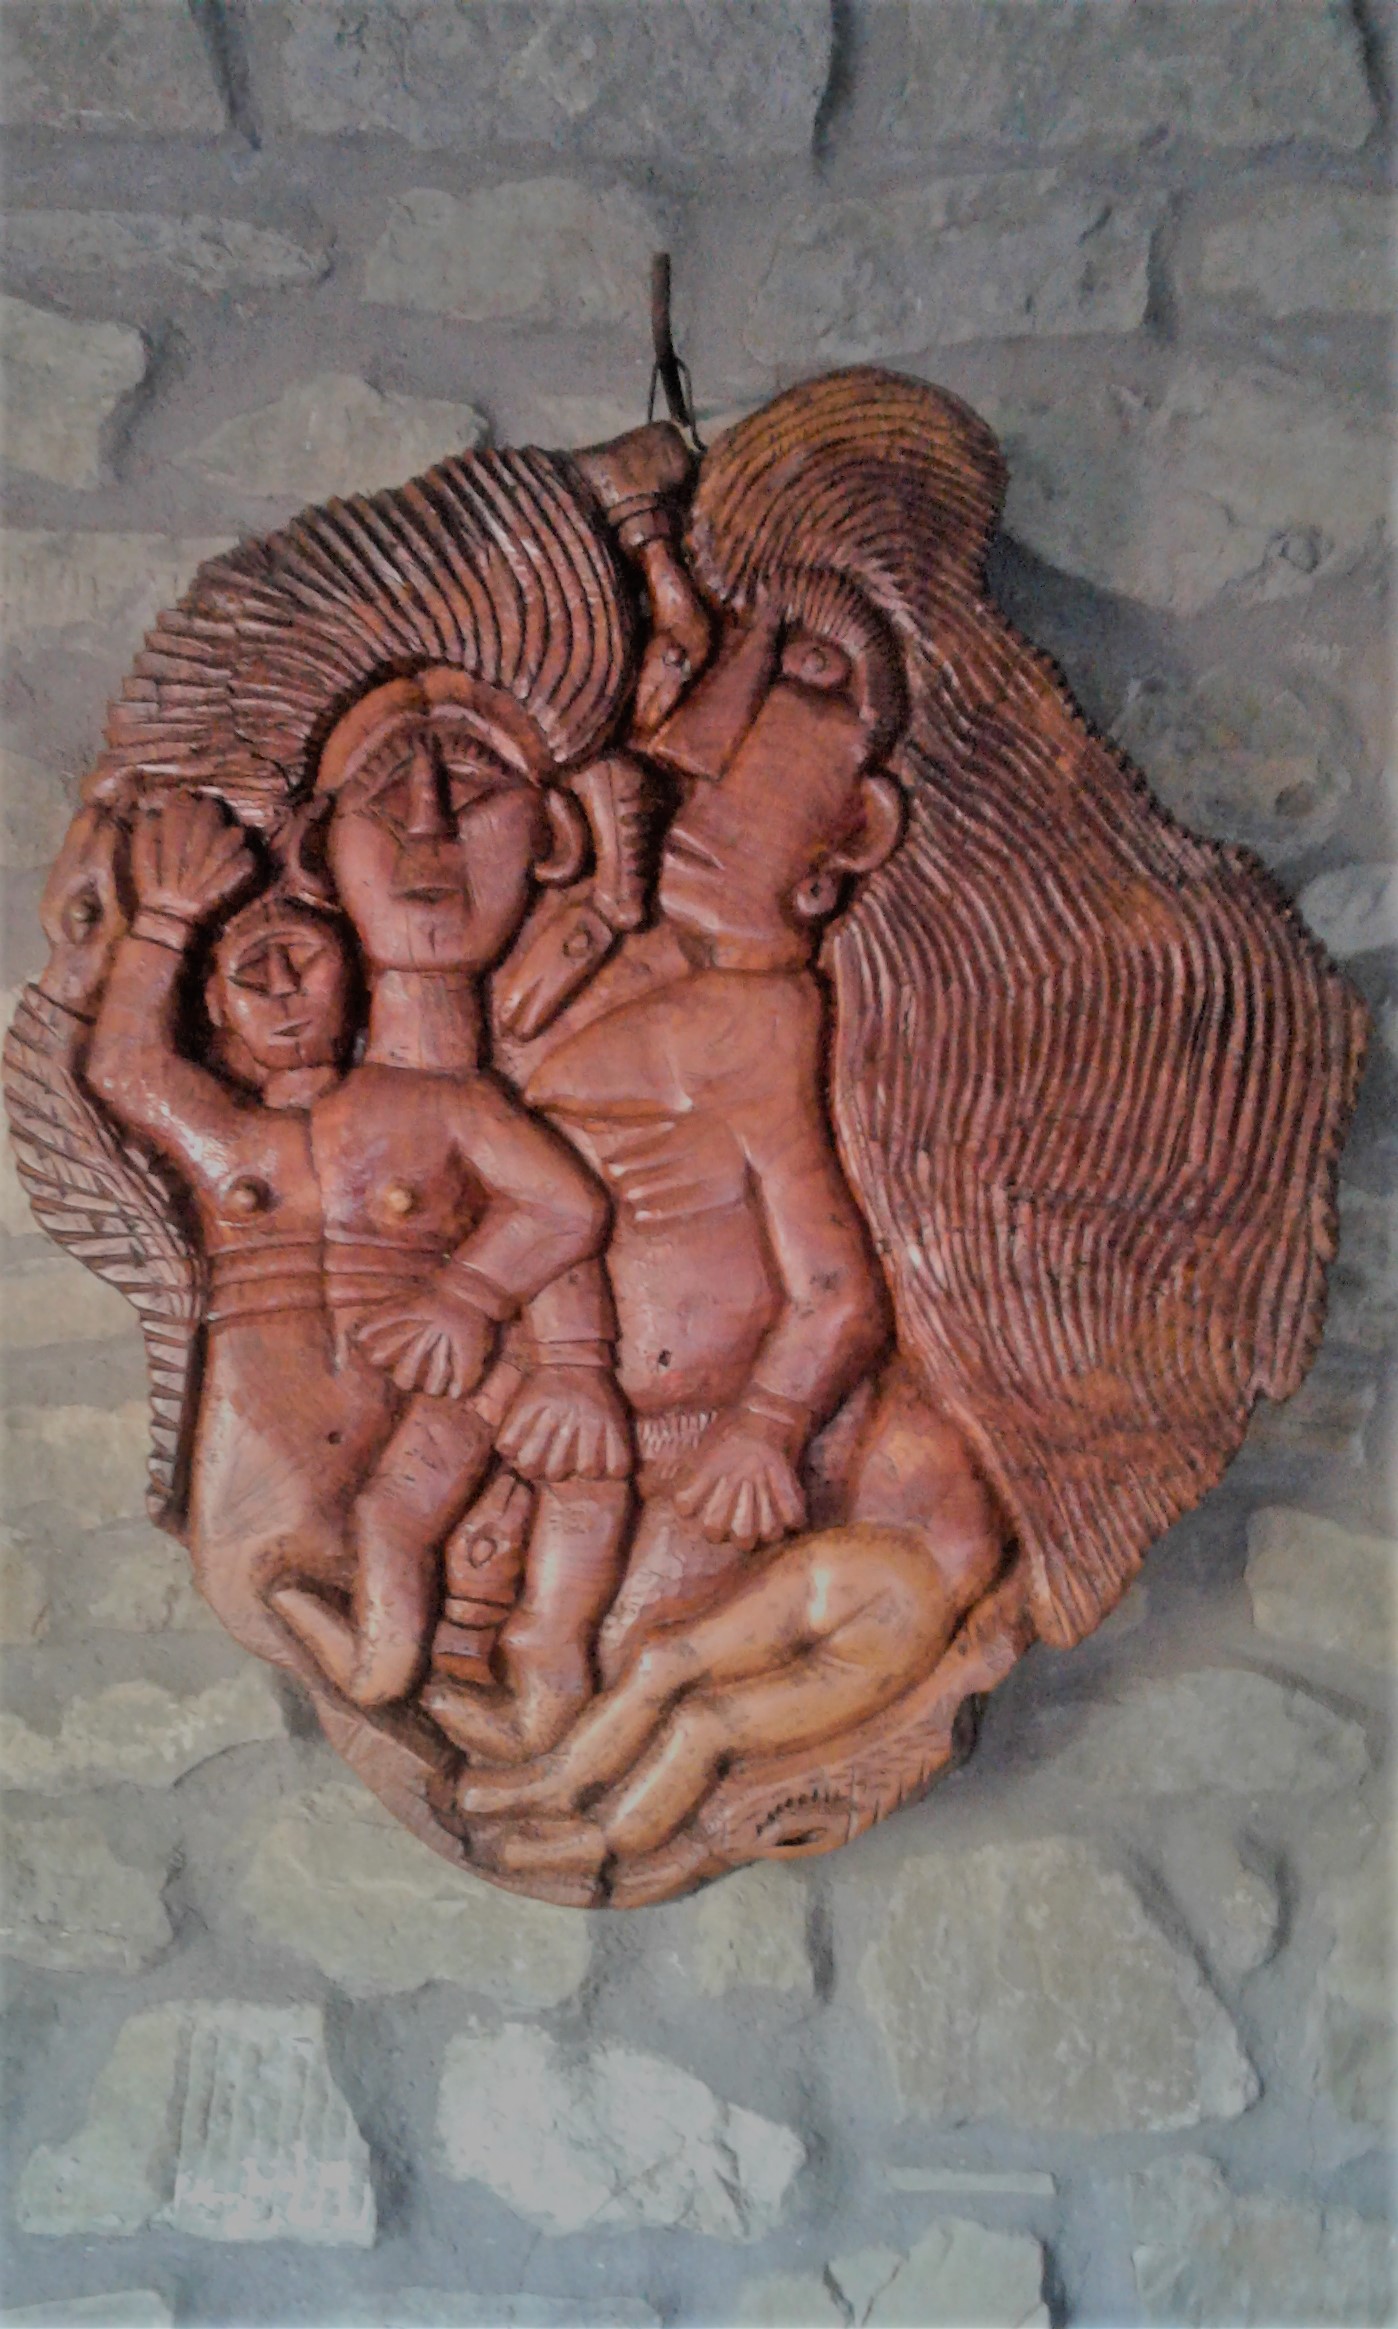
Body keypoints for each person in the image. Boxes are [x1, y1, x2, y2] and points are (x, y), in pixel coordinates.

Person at [86, 772, 629, 1718]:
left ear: (358, 979)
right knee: (265, 1594)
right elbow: (125, 1065)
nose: (282, 993)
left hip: (418, 1436)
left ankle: (483, 1667)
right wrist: (165, 921)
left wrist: (469, 1294)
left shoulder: (438, 1102)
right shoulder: (229, 1140)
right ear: (213, 1008)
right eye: (251, 976)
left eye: (304, 961)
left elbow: (568, 1205)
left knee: (402, 1572)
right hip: (261, 1463)